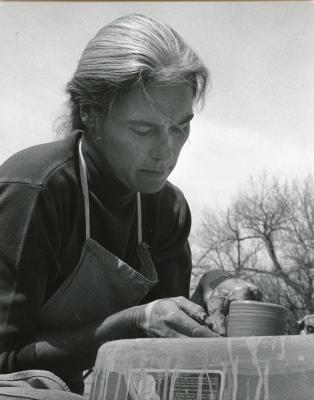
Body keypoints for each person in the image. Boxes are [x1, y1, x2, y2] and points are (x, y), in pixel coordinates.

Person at [0, 14, 261, 400]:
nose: (166, 152)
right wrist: (134, 321)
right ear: (89, 112)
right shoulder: (36, 190)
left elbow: (167, 353)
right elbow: (5, 358)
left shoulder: (168, 209)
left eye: (179, 127)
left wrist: (208, 295)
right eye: (143, 130)